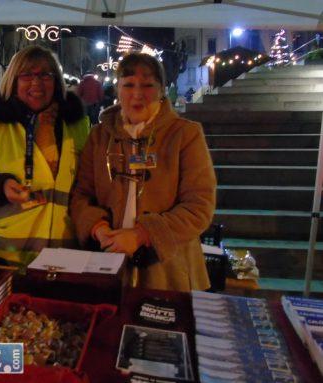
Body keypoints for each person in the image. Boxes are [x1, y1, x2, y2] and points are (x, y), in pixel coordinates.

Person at [70, 53, 216, 292]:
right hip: (108, 263)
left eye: (148, 85)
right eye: (128, 85)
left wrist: (143, 234)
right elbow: (81, 196)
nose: (137, 94)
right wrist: (98, 228)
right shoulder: (99, 136)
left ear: (161, 90)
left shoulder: (185, 134)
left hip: (168, 269)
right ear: (117, 89)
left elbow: (199, 205)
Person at [0, 45, 89, 269]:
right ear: (13, 82)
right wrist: (1, 186)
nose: (36, 82)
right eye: (26, 75)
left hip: (63, 256)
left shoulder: (79, 125)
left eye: (45, 74)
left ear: (56, 82)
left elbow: (90, 187)